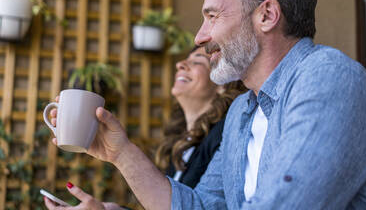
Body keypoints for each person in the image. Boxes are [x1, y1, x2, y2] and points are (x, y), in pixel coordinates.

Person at [45, 0, 366, 209]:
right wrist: (120, 153)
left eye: (212, 17)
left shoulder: (327, 78)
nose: (200, 37)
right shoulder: (242, 111)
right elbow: (201, 206)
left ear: (267, 15)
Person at [43, 47, 246, 209]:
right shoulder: (180, 144)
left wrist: (121, 154)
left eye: (196, 62)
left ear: (222, 83)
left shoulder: (226, 134)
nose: (180, 64)